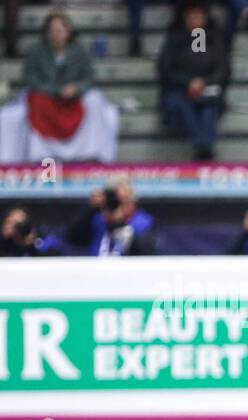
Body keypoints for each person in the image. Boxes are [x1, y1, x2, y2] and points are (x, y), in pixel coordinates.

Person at [0, 11, 119, 163]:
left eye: (60, 31)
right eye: (52, 31)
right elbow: (30, 79)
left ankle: (89, 153)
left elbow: (89, 78)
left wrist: (76, 88)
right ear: (47, 33)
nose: (56, 35)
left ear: (68, 32)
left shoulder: (79, 52)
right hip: (47, 97)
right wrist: (56, 91)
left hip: (72, 99)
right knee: (35, 101)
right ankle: (41, 156)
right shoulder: (35, 51)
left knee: (94, 100)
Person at [157, 0, 230, 160]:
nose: (195, 19)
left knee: (208, 106)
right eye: (192, 16)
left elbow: (222, 69)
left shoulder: (213, 39)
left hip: (207, 89)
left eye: (199, 15)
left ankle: (204, 147)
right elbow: (166, 70)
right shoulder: (174, 39)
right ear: (185, 17)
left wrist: (204, 82)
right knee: (184, 104)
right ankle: (203, 146)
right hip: (179, 89)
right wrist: (188, 82)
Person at [63, 176, 159, 256]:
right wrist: (89, 209)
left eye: (121, 200)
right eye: (113, 200)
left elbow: (147, 253)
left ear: (132, 199)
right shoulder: (98, 220)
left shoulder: (144, 223)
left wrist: (120, 224)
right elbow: (72, 239)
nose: (116, 204)